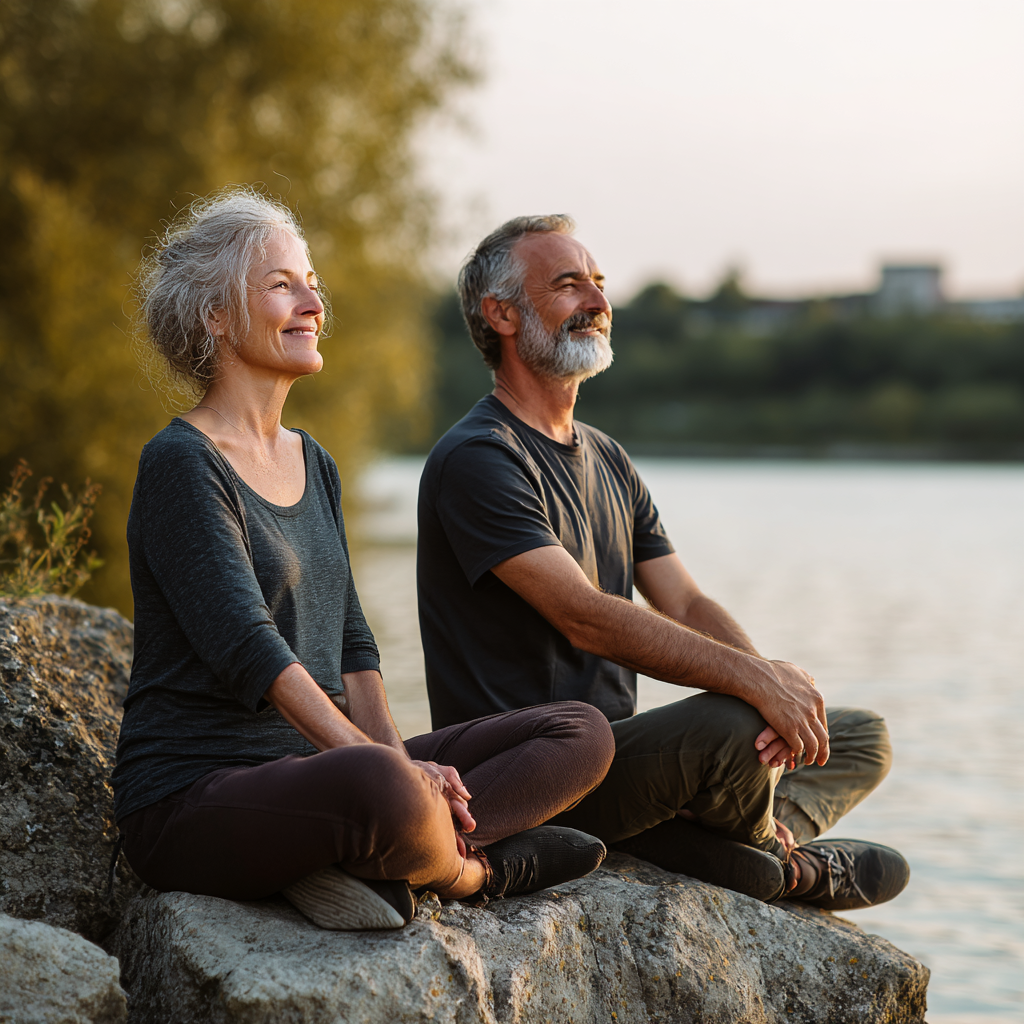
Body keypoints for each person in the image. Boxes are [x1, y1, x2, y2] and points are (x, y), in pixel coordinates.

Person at [112, 191, 616, 931]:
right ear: (215, 315)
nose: (313, 300)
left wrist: (394, 753)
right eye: (282, 283)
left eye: (313, 281)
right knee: (383, 782)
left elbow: (352, 645)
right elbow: (253, 652)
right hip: (195, 797)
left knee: (581, 731)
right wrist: (393, 770)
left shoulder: (312, 461)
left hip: (323, 771)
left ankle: (379, 851)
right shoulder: (181, 464)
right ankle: (476, 871)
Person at [416, 214, 910, 909]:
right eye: (567, 284)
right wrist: (751, 692)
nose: (596, 300)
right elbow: (583, 616)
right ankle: (775, 858)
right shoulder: (480, 457)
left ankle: (742, 837)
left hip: (620, 750)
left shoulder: (608, 456)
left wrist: (768, 688)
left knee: (857, 736)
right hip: (538, 772)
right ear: (501, 314)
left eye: (599, 281)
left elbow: (684, 602)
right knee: (729, 729)